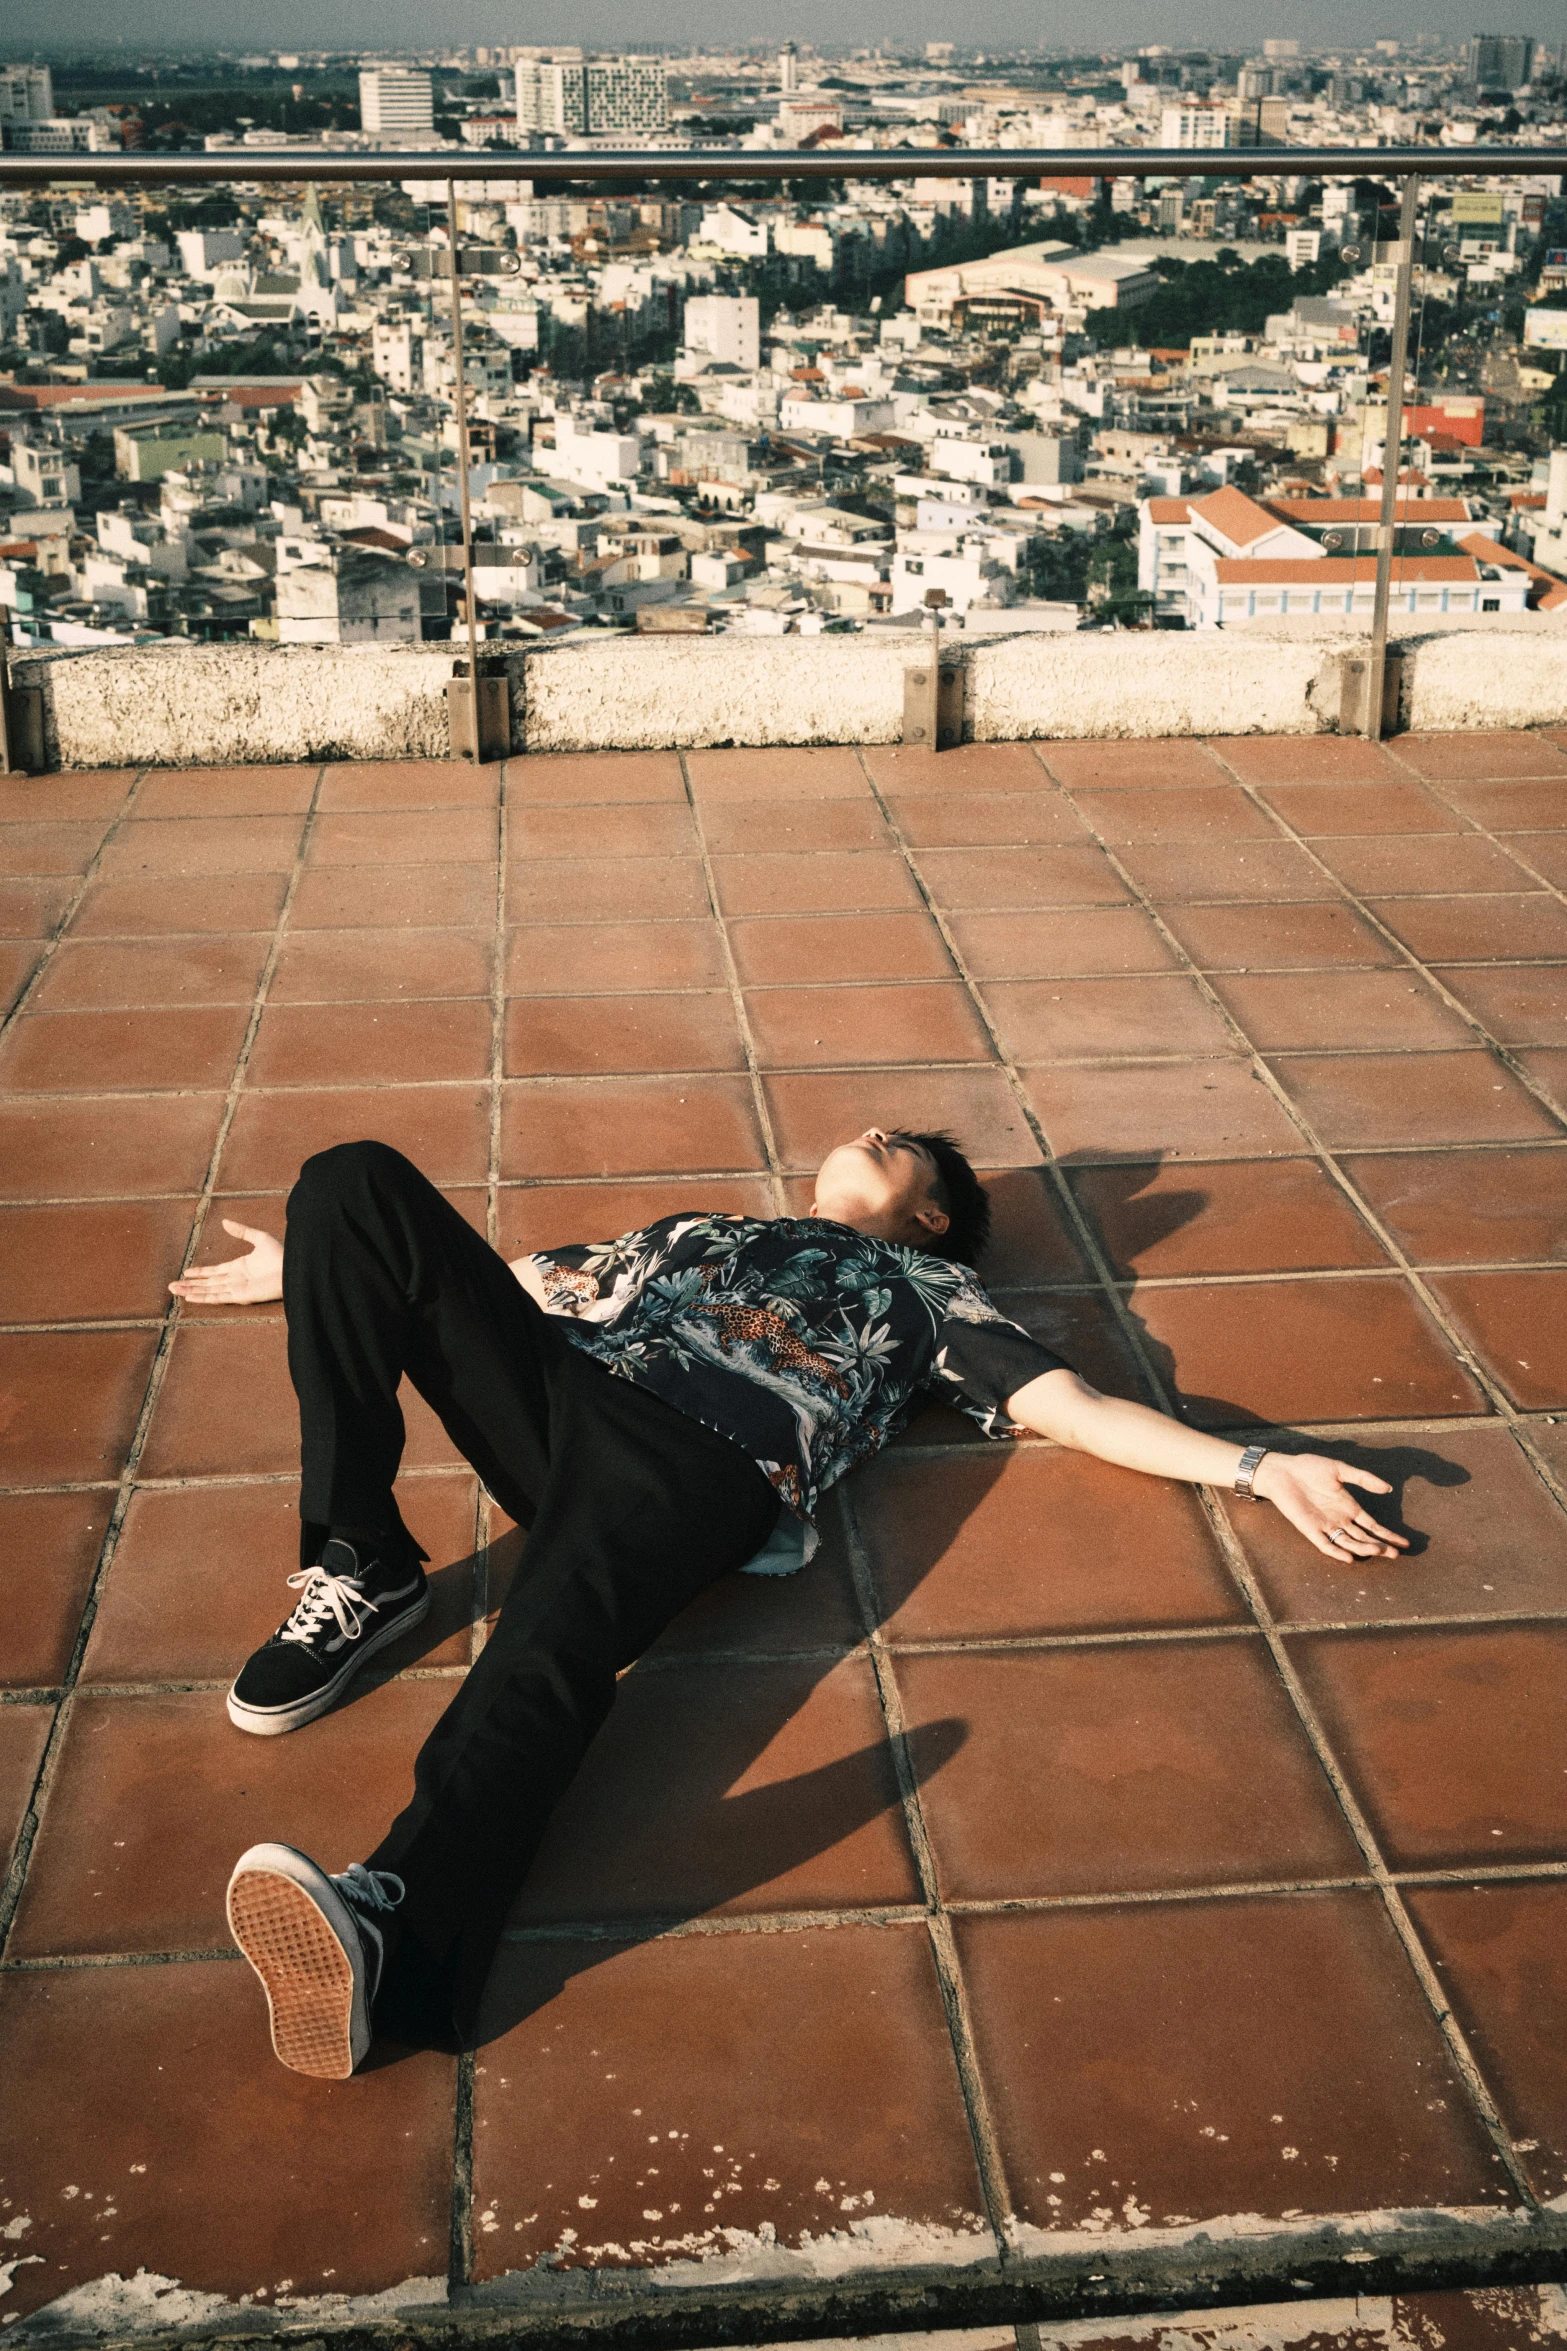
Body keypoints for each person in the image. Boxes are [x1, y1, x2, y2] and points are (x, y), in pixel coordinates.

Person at [170, 1128, 1406, 2082]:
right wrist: (323, 1260)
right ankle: (368, 1559)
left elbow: (1072, 1409)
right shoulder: (698, 1230)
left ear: (931, 1212)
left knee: (550, 1648)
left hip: (697, 1469)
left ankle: (397, 1930)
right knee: (346, 1179)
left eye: (902, 1142)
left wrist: (1254, 1461)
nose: (871, 1126)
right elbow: (504, 1284)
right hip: (563, 1411)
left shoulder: (932, 1297)